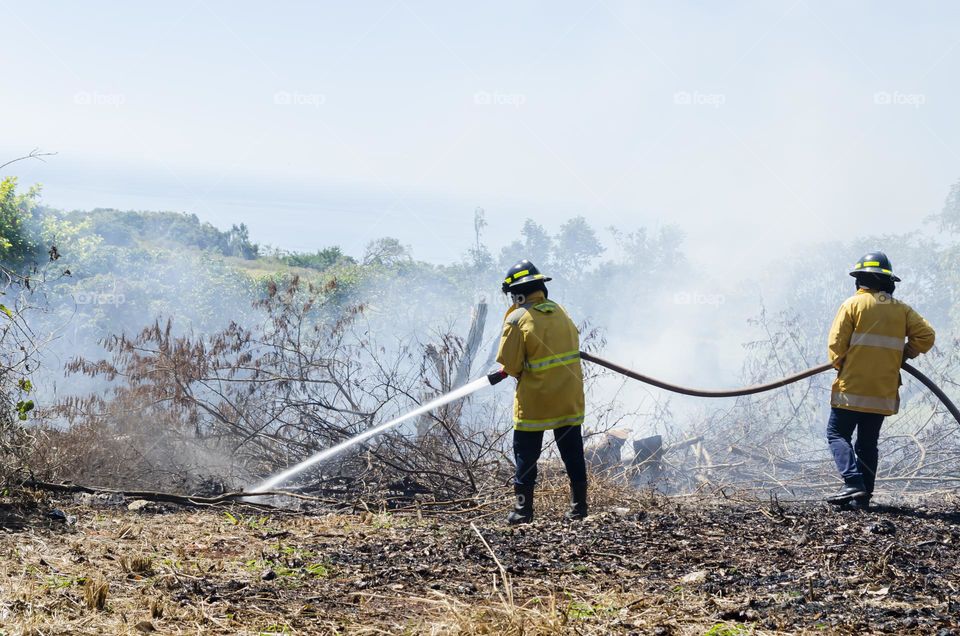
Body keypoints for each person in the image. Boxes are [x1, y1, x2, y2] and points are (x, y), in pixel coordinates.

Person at [825, 251, 935, 508]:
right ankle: (864, 496)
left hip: (851, 388)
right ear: (887, 281)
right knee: (867, 443)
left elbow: (836, 347)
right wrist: (904, 354)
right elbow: (926, 336)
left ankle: (853, 482)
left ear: (860, 280)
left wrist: (841, 364)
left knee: (836, 434)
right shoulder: (901, 310)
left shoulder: (852, 304)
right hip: (882, 392)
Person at [496, 259, 587, 524]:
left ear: (518, 292)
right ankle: (579, 508)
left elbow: (511, 365)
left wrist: (507, 370)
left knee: (526, 456)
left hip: (536, 402)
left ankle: (523, 511)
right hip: (569, 398)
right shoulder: (560, 311)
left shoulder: (517, 318)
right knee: (573, 454)